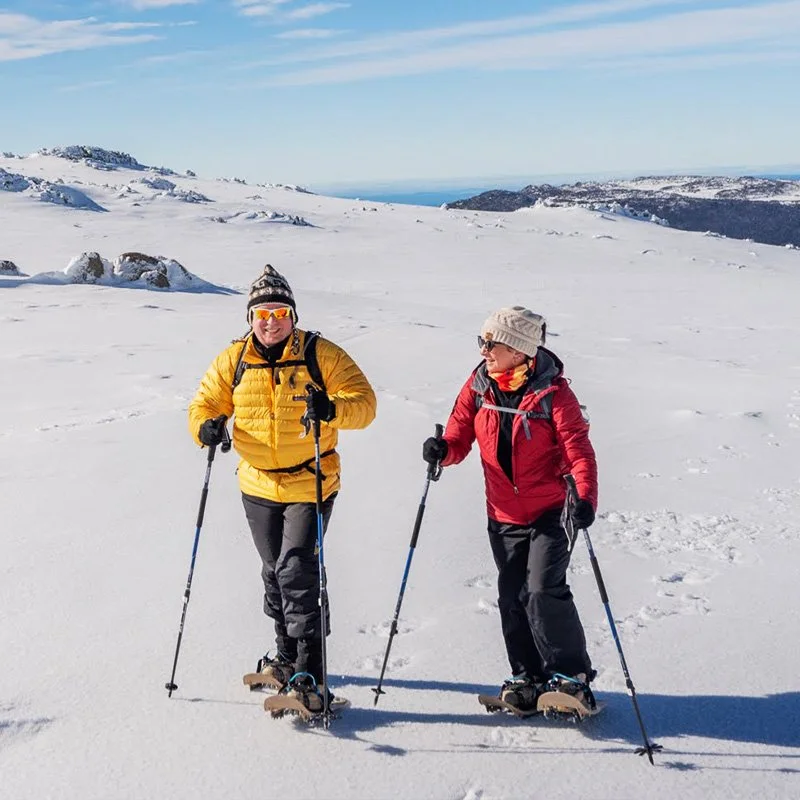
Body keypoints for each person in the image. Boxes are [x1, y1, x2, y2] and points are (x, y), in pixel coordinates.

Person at [188, 264, 376, 711]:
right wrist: (206, 428)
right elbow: (204, 404)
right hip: (256, 483)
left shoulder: (320, 354)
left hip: (310, 481)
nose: (270, 321)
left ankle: (312, 676)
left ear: (293, 315)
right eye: (262, 313)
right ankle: (287, 660)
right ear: (250, 319)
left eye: (279, 311)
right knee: (274, 572)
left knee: (297, 572)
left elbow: (364, 405)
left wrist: (330, 408)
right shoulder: (234, 360)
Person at [422, 306, 598, 712]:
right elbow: (459, 433)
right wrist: (442, 451)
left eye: (491, 344)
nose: (483, 351)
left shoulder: (554, 394)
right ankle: (528, 677)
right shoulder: (480, 385)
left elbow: (579, 452)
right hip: (502, 515)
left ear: (519, 351)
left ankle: (572, 677)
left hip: (551, 511)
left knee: (542, 589)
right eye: (481, 342)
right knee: (511, 595)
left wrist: (584, 498)